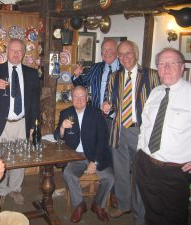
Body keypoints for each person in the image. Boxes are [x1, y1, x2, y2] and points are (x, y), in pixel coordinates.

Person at [102, 40, 160, 225]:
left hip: (140, 131)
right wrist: (107, 107)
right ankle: (124, 204)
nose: (125, 57)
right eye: (121, 54)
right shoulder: (114, 77)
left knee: (141, 174)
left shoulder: (151, 75)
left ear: (135, 53)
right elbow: (110, 103)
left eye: (128, 53)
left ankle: (140, 214)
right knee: (120, 172)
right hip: (119, 130)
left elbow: (159, 105)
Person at [0, 38, 40, 204]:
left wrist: (34, 125)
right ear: (6, 52)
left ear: (23, 52)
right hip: (1, 122)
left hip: (22, 122)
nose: (15, 54)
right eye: (12, 50)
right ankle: (0, 191)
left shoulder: (32, 73)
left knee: (19, 158)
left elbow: (35, 102)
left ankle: (15, 189)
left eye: (19, 51)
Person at [135, 48, 191, 225]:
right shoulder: (155, 92)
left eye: (171, 63)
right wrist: (139, 152)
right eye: (161, 64)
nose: (165, 68)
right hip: (146, 165)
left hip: (174, 171)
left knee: (174, 217)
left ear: (182, 67)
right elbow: (145, 125)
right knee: (152, 214)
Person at [54, 86, 114, 223]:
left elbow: (103, 139)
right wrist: (62, 127)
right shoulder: (65, 113)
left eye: (82, 97)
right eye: (76, 96)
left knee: (110, 178)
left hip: (95, 155)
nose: (79, 100)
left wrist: (95, 162)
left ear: (87, 99)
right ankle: (79, 205)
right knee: (68, 174)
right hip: (75, 156)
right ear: (71, 98)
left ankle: (98, 205)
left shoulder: (96, 113)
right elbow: (57, 136)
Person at [73, 38, 121, 208]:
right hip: (96, 116)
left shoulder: (123, 70)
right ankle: (96, 177)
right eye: (104, 50)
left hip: (116, 119)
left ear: (117, 51)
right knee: (95, 147)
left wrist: (113, 107)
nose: (106, 52)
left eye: (110, 49)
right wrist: (77, 76)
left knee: (114, 155)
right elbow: (82, 86)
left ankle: (113, 192)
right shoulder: (96, 67)